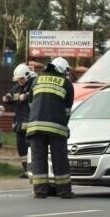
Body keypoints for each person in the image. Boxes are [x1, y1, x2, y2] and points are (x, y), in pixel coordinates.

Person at [26, 57, 75, 199]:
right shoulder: (66, 84)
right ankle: (64, 191)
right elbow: (67, 111)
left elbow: (31, 104)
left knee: (38, 159)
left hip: (34, 126)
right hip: (56, 128)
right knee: (59, 159)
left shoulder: (37, 80)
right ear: (62, 70)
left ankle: (40, 191)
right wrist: (65, 127)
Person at [2, 64, 35, 178]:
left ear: (26, 76)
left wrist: (25, 96)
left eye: (21, 79)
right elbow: (11, 95)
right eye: (18, 79)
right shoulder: (17, 87)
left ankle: (33, 169)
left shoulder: (33, 84)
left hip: (30, 122)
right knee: (21, 147)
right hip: (19, 123)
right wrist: (6, 98)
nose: (19, 81)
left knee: (31, 147)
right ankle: (26, 169)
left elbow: (33, 95)